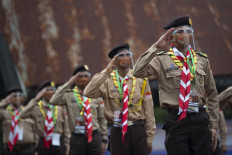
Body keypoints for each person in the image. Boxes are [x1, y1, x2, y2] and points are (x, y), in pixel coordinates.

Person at [133, 16, 219, 155]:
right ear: (171, 37)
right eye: (180, 31)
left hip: (200, 119)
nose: (185, 35)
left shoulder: (202, 59)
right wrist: (156, 46)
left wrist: (214, 126)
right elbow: (138, 72)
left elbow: (213, 94)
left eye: (188, 31)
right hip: (176, 120)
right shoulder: (161, 59)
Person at [84, 43, 156, 155]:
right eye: (121, 55)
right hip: (117, 130)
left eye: (128, 54)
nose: (125, 58)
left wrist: (150, 137)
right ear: (115, 60)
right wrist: (107, 70)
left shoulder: (140, 78)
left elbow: (149, 109)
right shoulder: (107, 80)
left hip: (138, 129)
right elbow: (88, 92)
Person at [50, 65, 108, 155]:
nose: (83, 79)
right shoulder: (68, 95)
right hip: (77, 138)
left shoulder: (96, 93)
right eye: (80, 76)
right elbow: (53, 101)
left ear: (90, 78)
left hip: (94, 136)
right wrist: (69, 83)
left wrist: (104, 138)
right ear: (75, 79)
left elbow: (102, 117)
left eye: (86, 76)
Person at [20, 81, 70, 155]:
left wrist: (67, 145)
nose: (50, 92)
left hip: (58, 141)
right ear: (42, 92)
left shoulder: (60, 106)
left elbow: (66, 128)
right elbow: (22, 115)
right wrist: (36, 98)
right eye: (47, 90)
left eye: (52, 89)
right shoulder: (36, 107)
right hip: (43, 143)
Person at [0, 87, 37, 155]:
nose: (17, 98)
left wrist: (36, 148)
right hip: (11, 150)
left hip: (27, 149)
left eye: (20, 95)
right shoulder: (4, 113)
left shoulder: (28, 111)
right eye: (14, 96)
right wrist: (5, 101)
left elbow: (35, 129)